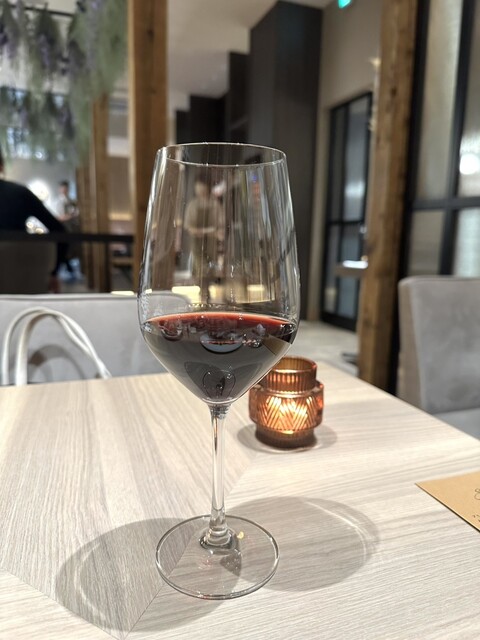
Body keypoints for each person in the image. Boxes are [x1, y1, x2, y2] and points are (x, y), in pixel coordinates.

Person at [0, 148, 67, 292]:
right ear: (2, 165)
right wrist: (53, 273)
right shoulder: (19, 193)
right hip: (20, 281)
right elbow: (60, 231)